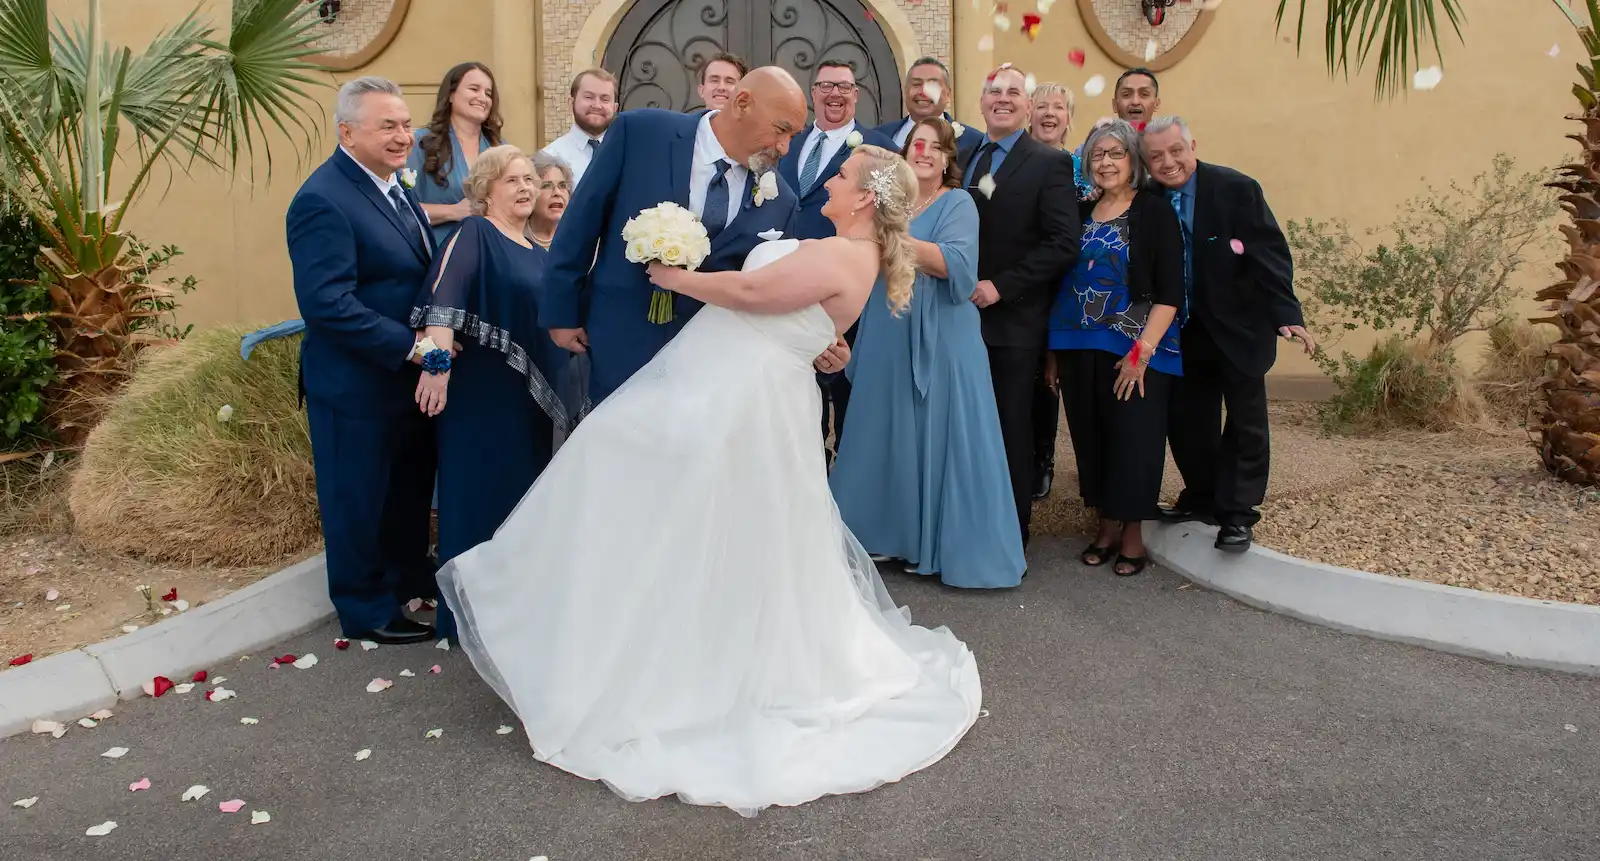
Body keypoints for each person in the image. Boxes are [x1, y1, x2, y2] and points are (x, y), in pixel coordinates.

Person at [437, 145, 981, 817]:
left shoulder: (843, 253)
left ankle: (676, 656)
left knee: (678, 497)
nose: (830, 184)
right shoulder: (841, 247)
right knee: (682, 503)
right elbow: (802, 318)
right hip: (734, 384)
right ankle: (621, 628)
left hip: (742, 399)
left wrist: (672, 275)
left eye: (841, 178)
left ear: (866, 197)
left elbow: (754, 294)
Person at [542, 66, 849, 405]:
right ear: (742, 103)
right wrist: (561, 311)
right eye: (781, 130)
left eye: (793, 135)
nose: (785, 147)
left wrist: (818, 347)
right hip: (622, 337)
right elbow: (582, 221)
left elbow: (775, 289)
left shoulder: (782, 200)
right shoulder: (641, 133)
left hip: (711, 366)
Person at [829, 117, 1025, 588]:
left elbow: (956, 266)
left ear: (947, 160)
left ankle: (942, 546)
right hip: (886, 331)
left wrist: (887, 238)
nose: (924, 152)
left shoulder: (959, 202)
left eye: (936, 148)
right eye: (917, 144)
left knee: (944, 435)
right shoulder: (885, 203)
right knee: (883, 431)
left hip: (944, 338)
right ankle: (881, 536)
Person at [285, 77, 437, 645]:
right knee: (358, 498)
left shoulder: (396, 188)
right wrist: (412, 346)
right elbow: (327, 305)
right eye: (388, 126)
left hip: (402, 381)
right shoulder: (322, 199)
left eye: (405, 124)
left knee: (404, 492)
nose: (404, 137)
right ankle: (365, 609)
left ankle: (406, 582)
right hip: (353, 385)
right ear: (347, 132)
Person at [410, 147, 573, 642]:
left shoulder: (539, 251)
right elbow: (443, 303)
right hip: (482, 396)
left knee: (517, 506)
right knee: (477, 499)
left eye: (532, 180)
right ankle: (465, 623)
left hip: (529, 404)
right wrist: (435, 369)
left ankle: (509, 616)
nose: (527, 188)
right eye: (513, 180)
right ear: (485, 190)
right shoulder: (474, 234)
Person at [1141, 116, 1315, 552]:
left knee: (1245, 425)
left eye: (1176, 151)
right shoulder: (1147, 199)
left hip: (1238, 327)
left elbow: (1269, 254)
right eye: (1156, 156)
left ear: (1192, 146)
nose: (1168, 162)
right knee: (1187, 423)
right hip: (1181, 333)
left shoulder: (1236, 189)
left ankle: (1237, 515)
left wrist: (1285, 312)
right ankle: (1202, 497)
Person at [1046, 119, 1185, 577]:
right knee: (1091, 438)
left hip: (1135, 347)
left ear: (1134, 161)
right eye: (1097, 156)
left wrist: (1141, 353)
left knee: (1135, 440)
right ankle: (1105, 525)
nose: (1105, 163)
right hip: (1076, 342)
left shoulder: (1153, 211)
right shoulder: (1081, 211)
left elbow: (1169, 292)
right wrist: (1052, 352)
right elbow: (1062, 283)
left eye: (1115, 154)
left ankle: (1131, 536)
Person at [960, 63, 1081, 548]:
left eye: (1014, 92)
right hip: (958, 317)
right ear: (982, 102)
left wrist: (1001, 287)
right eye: (995, 92)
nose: (1003, 99)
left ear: (1028, 107)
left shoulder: (1048, 163)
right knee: (965, 425)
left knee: (1010, 429)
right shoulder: (966, 155)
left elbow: (1062, 243)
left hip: (1012, 322)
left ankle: (1009, 536)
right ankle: (965, 526)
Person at [776, 59, 894, 458]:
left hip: (847, 290)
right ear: (813, 94)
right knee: (795, 395)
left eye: (844, 87)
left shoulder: (879, 148)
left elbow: (890, 221)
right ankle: (803, 469)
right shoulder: (787, 141)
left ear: (856, 95)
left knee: (846, 392)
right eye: (826, 86)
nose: (835, 94)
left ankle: (846, 481)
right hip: (788, 284)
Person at [1026, 81, 1093, 501]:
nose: (1049, 114)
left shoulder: (1084, 168)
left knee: (1057, 376)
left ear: (1069, 118)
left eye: (1059, 107)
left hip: (1071, 282)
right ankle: (1032, 459)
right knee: (1033, 373)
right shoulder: (1015, 162)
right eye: (1042, 106)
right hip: (1026, 280)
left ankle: (1054, 460)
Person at [408, 62, 504, 247]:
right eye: (474, 89)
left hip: (491, 252)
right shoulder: (420, 144)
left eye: (488, 93)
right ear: (451, 94)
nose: (482, 97)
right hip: (436, 254)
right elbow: (396, 209)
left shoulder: (499, 149)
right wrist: (453, 211)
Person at [873, 56, 984, 157]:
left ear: (948, 95)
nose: (923, 92)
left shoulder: (974, 142)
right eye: (916, 84)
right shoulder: (878, 137)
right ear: (905, 92)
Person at [540, 68, 618, 188]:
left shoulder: (628, 157)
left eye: (605, 99)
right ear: (571, 103)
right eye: (589, 97)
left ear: (615, 108)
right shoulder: (550, 157)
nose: (597, 105)